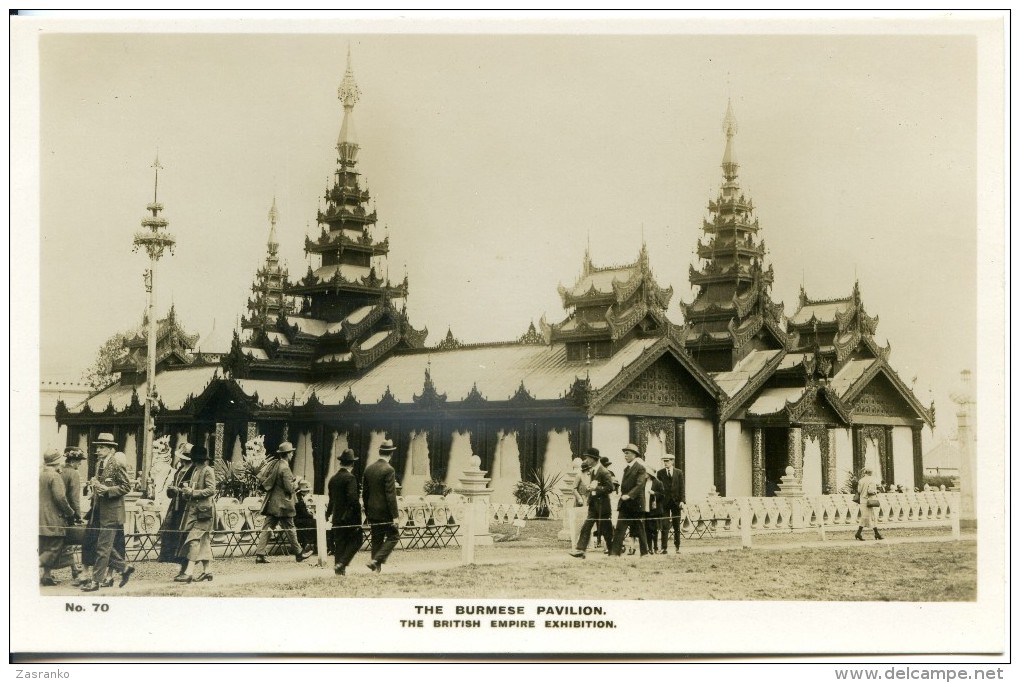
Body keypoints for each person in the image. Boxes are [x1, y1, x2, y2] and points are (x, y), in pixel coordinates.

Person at [79, 433, 134, 592]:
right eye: (97, 446)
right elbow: (101, 485)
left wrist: (108, 490)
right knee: (99, 544)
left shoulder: (116, 463)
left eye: (102, 447)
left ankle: (96, 582)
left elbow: (126, 486)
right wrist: (95, 484)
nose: (98, 449)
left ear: (111, 449)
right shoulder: (99, 464)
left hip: (111, 512)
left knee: (102, 547)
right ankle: (123, 568)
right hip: (98, 510)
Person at [254, 441, 312, 563]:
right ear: (287, 454)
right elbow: (290, 488)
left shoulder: (277, 465)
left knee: (267, 528)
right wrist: (298, 481)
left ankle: (260, 554)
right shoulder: (285, 468)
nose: (292, 455)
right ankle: (299, 553)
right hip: (283, 505)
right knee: (290, 528)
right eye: (291, 453)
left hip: (273, 503)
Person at [174, 445, 217, 582]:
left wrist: (193, 493)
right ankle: (208, 572)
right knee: (203, 542)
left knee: (193, 540)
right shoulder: (196, 471)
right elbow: (193, 490)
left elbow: (211, 490)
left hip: (204, 512)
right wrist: (185, 492)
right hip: (194, 511)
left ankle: (189, 572)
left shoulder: (207, 471)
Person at [568, 448, 614, 559]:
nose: (586, 460)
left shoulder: (604, 471)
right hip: (594, 505)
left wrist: (596, 488)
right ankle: (580, 550)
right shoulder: (593, 470)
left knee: (606, 530)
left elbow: (610, 488)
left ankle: (613, 549)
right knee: (586, 526)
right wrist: (590, 489)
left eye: (587, 458)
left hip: (603, 506)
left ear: (593, 459)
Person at [362, 439, 400, 573]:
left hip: (372, 511)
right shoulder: (389, 470)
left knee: (376, 539)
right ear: (391, 454)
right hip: (385, 512)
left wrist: (367, 511)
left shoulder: (369, 469)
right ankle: (376, 561)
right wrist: (395, 516)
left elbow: (365, 494)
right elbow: (390, 495)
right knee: (394, 536)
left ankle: (375, 570)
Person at [158, 442, 195, 580]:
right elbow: (172, 487)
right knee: (173, 535)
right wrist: (171, 490)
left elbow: (191, 489)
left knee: (184, 537)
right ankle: (180, 564)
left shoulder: (193, 471)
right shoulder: (179, 470)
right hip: (175, 507)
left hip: (186, 507)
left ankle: (186, 568)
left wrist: (179, 490)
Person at [40, 448, 75, 586]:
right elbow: (60, 498)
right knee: (55, 546)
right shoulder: (54, 476)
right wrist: (70, 512)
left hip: (39, 519)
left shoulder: (40, 474)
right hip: (52, 518)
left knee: (44, 546)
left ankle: (46, 576)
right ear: (57, 462)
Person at [325, 449, 363, 576]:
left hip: (336, 517)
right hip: (349, 518)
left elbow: (331, 500)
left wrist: (328, 514)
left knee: (340, 543)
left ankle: (339, 570)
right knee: (357, 540)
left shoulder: (333, 479)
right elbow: (353, 499)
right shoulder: (350, 478)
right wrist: (358, 517)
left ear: (341, 462)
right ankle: (343, 563)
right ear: (352, 464)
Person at [609, 443, 648, 557]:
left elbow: (640, 485)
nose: (625, 455)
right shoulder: (627, 468)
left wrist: (629, 495)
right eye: (624, 453)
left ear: (634, 455)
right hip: (625, 505)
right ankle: (615, 553)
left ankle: (644, 553)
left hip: (636, 504)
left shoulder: (640, 468)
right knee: (620, 528)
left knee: (640, 529)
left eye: (627, 453)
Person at [58, 447, 86, 583]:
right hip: (67, 513)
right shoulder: (73, 474)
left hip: (55, 512)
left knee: (57, 542)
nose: (80, 463)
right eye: (79, 460)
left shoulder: (59, 470)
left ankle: (74, 569)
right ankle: (75, 571)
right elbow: (74, 498)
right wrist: (78, 515)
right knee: (67, 542)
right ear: (74, 460)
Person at [657, 453, 684, 554]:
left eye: (667, 461)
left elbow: (682, 488)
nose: (665, 463)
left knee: (677, 525)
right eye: (664, 461)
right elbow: (658, 488)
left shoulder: (679, 472)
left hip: (676, 503)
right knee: (665, 525)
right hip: (664, 503)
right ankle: (664, 548)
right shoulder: (660, 473)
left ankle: (677, 547)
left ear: (672, 461)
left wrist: (682, 501)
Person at [643, 457, 664, 554]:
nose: (644, 475)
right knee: (647, 529)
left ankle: (655, 547)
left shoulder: (658, 483)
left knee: (654, 530)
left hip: (654, 510)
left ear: (650, 474)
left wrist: (654, 493)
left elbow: (662, 495)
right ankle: (649, 547)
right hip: (646, 509)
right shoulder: (643, 483)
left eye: (646, 473)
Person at [855, 467, 883, 541]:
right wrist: (876, 491)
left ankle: (875, 533)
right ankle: (875, 533)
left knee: (867, 517)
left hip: (862, 500)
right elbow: (870, 491)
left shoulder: (861, 480)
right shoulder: (872, 480)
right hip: (869, 500)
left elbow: (859, 490)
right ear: (871, 473)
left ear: (865, 472)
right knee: (869, 517)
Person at [293, 478, 318, 554]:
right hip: (298, 519)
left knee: (313, 522)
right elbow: (303, 512)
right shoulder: (298, 498)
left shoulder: (299, 497)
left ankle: (310, 543)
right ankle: (311, 543)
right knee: (315, 522)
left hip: (299, 518)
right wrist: (313, 516)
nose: (308, 492)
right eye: (307, 490)